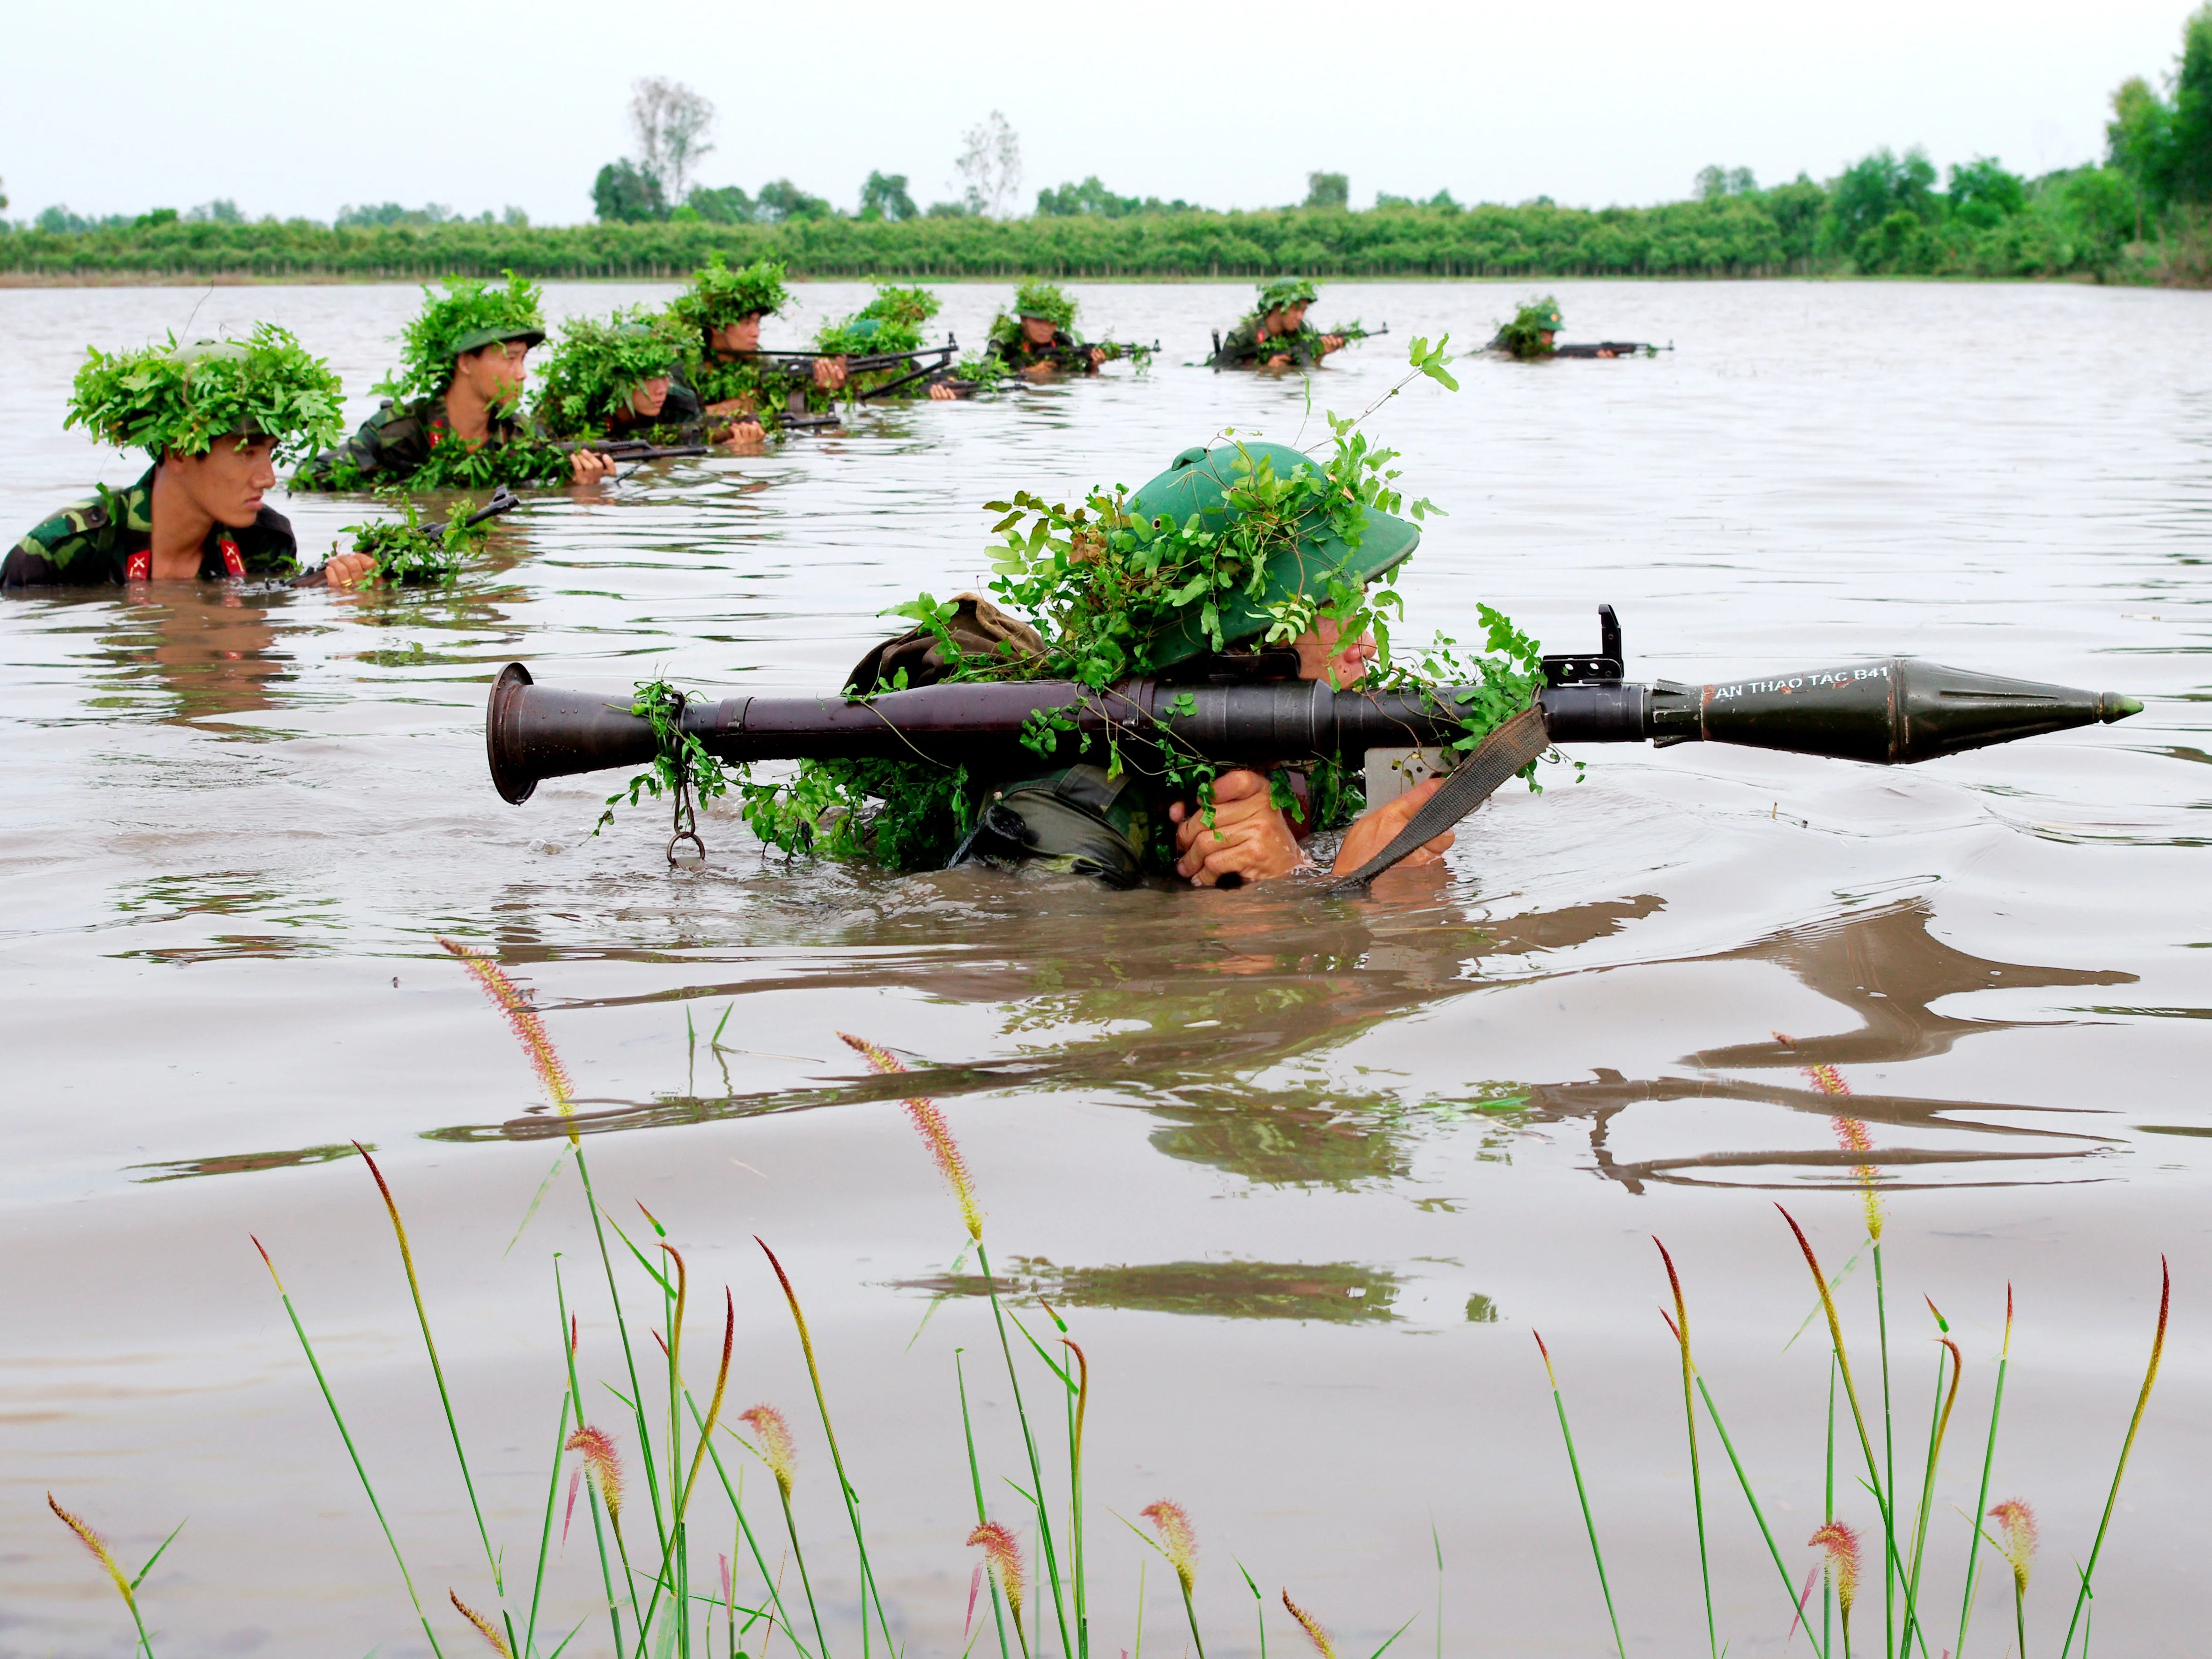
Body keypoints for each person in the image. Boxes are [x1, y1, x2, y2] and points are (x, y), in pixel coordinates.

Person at [822, 440, 1471, 888]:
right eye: (1339, 608)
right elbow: (1032, 977)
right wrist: (1328, 893)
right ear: (1250, 648)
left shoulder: (1298, 740)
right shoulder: (1080, 801)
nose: (1371, 645)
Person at [2, 329, 377, 588]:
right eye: (247, 452)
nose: (268, 478)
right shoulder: (63, 550)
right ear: (179, 450)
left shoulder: (263, 542)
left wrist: (339, 593)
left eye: (271, 453)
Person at [293, 272, 612, 488]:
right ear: (466, 362)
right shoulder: (399, 432)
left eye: (524, 359)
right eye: (510, 358)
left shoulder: (524, 437)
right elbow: (309, 477)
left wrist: (578, 488)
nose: (522, 373)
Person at [669, 254, 845, 440]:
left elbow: (794, 412)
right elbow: (675, 426)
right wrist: (738, 406)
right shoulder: (686, 369)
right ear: (716, 327)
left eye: (757, 322)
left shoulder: (764, 366)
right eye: (746, 323)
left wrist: (823, 389)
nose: (755, 332)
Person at [1210, 279, 1347, 370]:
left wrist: (1320, 355)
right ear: (1277, 307)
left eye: (1304, 310)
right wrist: (1265, 368)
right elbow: (1220, 367)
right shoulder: (1246, 334)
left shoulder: (1302, 332)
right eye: (1295, 310)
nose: (1300, 317)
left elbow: (1305, 369)